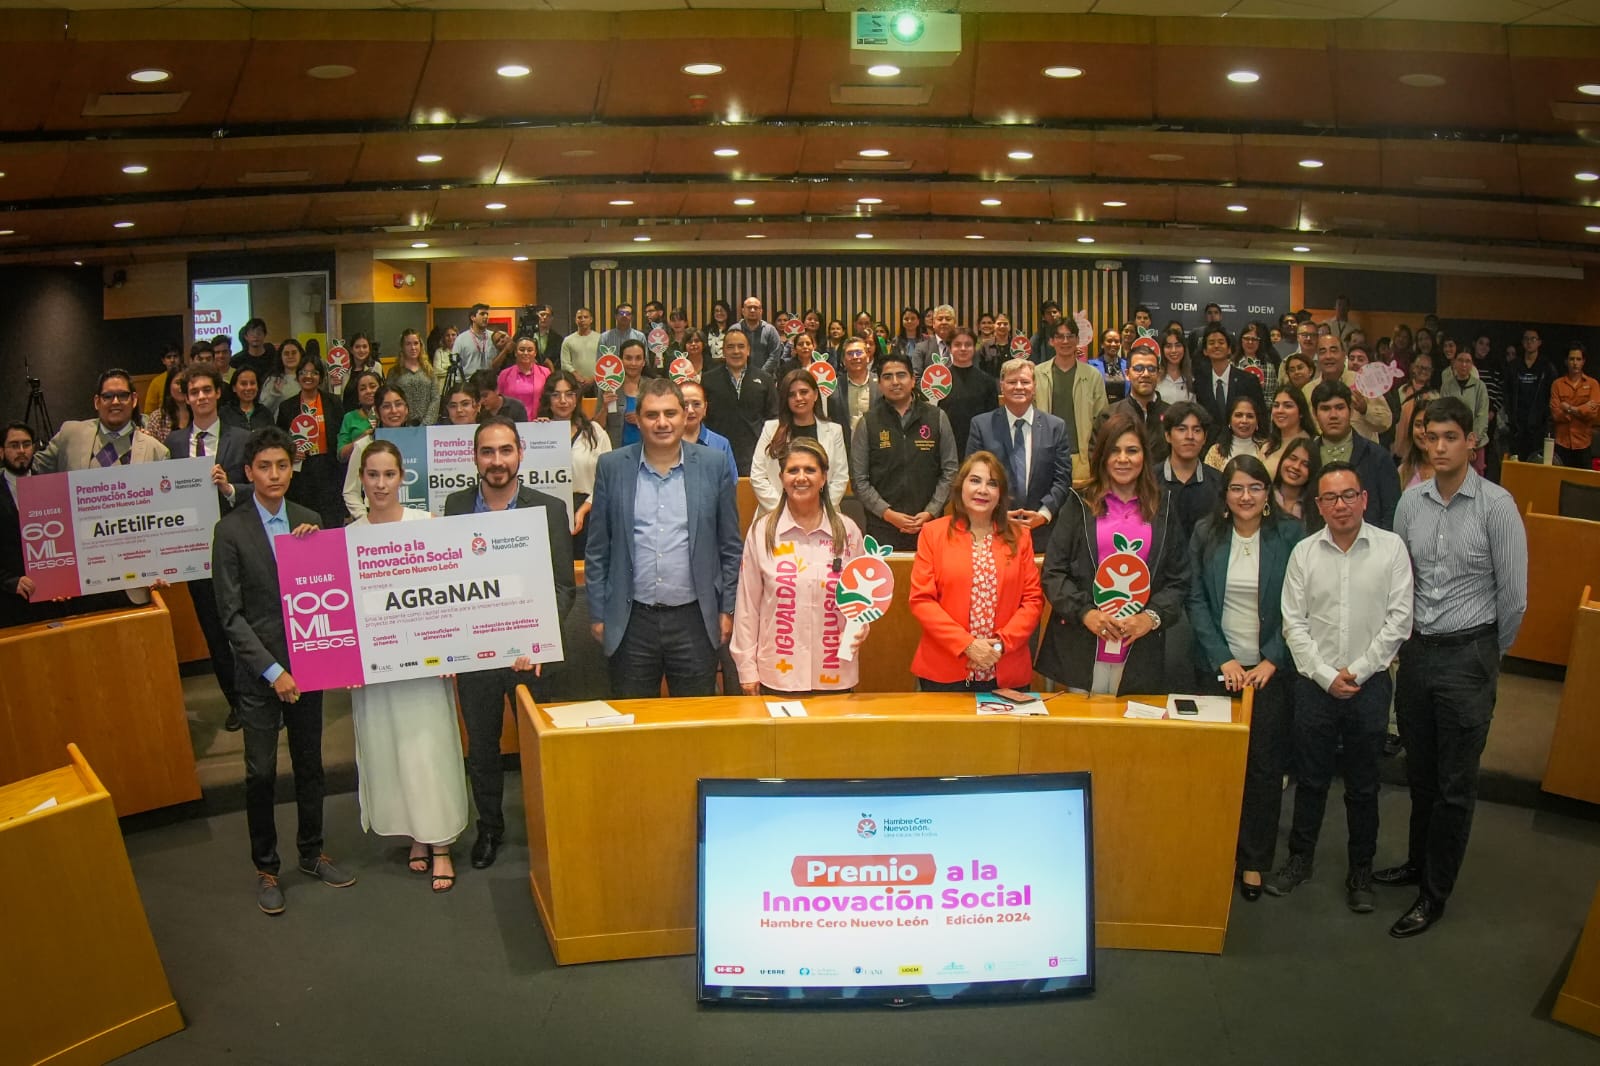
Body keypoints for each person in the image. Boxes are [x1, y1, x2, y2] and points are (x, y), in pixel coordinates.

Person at [1378, 397, 1528, 938]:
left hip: (1470, 655)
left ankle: (1434, 893)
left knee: (1455, 785)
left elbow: (1514, 598)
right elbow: (1401, 579)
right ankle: (1417, 863)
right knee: (1420, 775)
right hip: (1418, 653)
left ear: (1471, 442)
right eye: (1431, 437)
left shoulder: (1497, 506)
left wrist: (1488, 653)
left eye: (1450, 437)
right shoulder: (1410, 502)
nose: (1438, 447)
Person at [212, 426, 353, 915]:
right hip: (259, 674)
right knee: (260, 772)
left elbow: (329, 592)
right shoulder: (230, 531)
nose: (274, 475)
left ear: (292, 469)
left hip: (308, 665)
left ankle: (312, 852)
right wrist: (273, 671)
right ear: (248, 473)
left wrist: (317, 550)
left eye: (281, 465)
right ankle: (267, 866)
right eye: (264, 467)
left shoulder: (309, 520)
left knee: (310, 764)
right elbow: (230, 616)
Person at [1269, 461, 1413, 914]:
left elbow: (1399, 620)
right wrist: (1326, 675)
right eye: (1330, 498)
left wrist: (1360, 670)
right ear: (1319, 505)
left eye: (1349, 495)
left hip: (1370, 687)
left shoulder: (1391, 549)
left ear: (1364, 499)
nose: (1341, 505)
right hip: (1315, 685)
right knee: (1310, 780)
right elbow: (1293, 623)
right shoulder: (1304, 553)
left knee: (1364, 786)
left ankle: (1361, 872)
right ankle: (1299, 860)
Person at [443, 418, 576, 870]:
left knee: (537, 748)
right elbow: (450, 581)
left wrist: (539, 641)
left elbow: (563, 586)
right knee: (482, 749)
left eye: (505, 450)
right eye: (487, 452)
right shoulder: (456, 506)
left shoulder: (549, 508)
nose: (496, 461)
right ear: (474, 457)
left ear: (521, 453)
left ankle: (546, 827)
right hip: (476, 655)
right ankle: (490, 829)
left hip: (529, 657)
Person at [347, 440, 470, 894]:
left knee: (428, 751)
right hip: (376, 672)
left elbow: (448, 593)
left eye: (389, 475)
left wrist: (452, 651)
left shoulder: (427, 525)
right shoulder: (348, 535)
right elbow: (344, 608)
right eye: (372, 475)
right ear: (362, 478)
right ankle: (414, 833)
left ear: (403, 478)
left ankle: (441, 843)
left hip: (424, 668)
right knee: (389, 753)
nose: (380, 484)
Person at [1187, 455, 1305, 902]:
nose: (1246, 496)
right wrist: (1223, 660)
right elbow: (1196, 599)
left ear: (1267, 493)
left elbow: (1300, 604)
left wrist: (1272, 659)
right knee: (1215, 765)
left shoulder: (1290, 535)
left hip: (1269, 673)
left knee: (1263, 769)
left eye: (1255, 487)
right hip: (1216, 670)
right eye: (1236, 488)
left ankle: (1254, 859)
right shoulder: (1206, 533)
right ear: (1225, 495)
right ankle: (1214, 850)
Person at [586, 378, 743, 698]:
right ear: (638, 419)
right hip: (630, 621)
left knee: (694, 719)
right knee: (633, 718)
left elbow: (729, 546)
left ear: (685, 416)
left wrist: (727, 609)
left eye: (670, 413)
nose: (662, 423)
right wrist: (599, 614)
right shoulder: (612, 467)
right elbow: (598, 549)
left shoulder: (713, 465)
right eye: (651, 415)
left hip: (695, 620)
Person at [1036, 413, 1190, 696]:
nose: (1123, 459)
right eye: (1114, 451)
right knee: (1084, 724)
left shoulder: (1164, 507)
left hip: (1140, 650)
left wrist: (1151, 618)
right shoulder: (1078, 503)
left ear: (1144, 456)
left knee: (1130, 724)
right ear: (1102, 456)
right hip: (1082, 646)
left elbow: (1179, 579)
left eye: (1132, 450)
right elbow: (1054, 572)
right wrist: (1085, 613)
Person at [731, 438, 865, 695]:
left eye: (810, 470)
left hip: (835, 672)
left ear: (824, 477)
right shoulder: (762, 532)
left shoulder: (848, 532)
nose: (801, 477)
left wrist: (860, 628)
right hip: (778, 675)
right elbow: (747, 607)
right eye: (793, 470)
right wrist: (747, 670)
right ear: (781, 477)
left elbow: (861, 604)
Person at [909, 452, 1044, 692]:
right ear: (961, 486)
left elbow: (1032, 601)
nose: (983, 490)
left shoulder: (1020, 536)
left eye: (992, 483)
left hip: (1005, 667)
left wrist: (999, 646)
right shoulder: (933, 533)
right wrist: (968, 645)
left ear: (1000, 494)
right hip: (945, 670)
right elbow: (922, 601)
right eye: (975, 480)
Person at [167, 365, 251, 727]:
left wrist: (230, 488)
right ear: (186, 398)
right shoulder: (172, 443)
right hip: (195, 553)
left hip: (236, 547)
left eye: (206, 390)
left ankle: (261, 698)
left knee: (247, 626)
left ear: (218, 393)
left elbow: (259, 489)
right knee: (214, 633)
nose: (201, 396)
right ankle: (236, 703)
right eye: (194, 391)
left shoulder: (241, 438)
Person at [849, 352, 959, 553]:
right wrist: (887, 513)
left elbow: (950, 470)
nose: (895, 382)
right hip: (882, 526)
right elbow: (859, 479)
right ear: (880, 383)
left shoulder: (937, 417)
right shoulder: (868, 422)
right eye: (887, 377)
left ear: (913, 380)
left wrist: (931, 511)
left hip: (930, 524)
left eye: (901, 375)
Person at [966, 359, 1073, 552]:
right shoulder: (981, 426)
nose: (1018, 387)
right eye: (1011, 381)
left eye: (1025, 382)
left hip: (1043, 531)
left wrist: (1043, 514)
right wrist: (997, 514)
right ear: (1002, 386)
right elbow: (972, 479)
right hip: (993, 528)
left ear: (1034, 386)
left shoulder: (1055, 427)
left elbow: (1062, 479)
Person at [750, 369, 849, 514]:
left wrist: (817, 511)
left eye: (804, 392)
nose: (798, 398)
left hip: (824, 514)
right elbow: (758, 476)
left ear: (815, 395)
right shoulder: (771, 429)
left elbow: (840, 478)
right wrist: (784, 511)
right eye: (791, 394)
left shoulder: (834, 431)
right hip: (776, 514)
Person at [34, 368, 170, 473]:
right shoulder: (70, 435)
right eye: (108, 396)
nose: (115, 402)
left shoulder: (156, 452)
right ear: (97, 402)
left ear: (134, 400)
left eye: (123, 395)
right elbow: (33, 469)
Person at [1308, 380, 1400, 530]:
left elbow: (1392, 510)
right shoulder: (1306, 456)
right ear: (1314, 414)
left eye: (1339, 408)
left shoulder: (1377, 456)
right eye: (1325, 409)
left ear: (1350, 410)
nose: (1333, 415)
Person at [540, 370, 611, 558]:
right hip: (550, 514)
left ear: (576, 398)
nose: (563, 401)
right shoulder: (537, 433)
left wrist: (584, 509)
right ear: (548, 399)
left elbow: (607, 478)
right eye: (556, 395)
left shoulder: (595, 432)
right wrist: (536, 435)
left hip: (590, 511)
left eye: (569, 394)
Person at [274, 357, 345, 530]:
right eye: (303, 372)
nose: (308, 376)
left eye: (314, 373)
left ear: (321, 378)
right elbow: (280, 440)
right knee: (304, 521)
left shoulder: (333, 402)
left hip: (329, 470)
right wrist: (291, 452)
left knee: (330, 522)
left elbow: (341, 434)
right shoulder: (286, 407)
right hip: (301, 473)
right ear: (297, 376)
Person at [1034, 317, 1108, 481]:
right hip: (1045, 457)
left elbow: (1102, 419)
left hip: (1082, 457)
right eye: (1060, 337)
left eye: (1070, 336)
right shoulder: (1037, 374)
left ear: (1077, 340)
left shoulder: (1093, 375)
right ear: (1051, 341)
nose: (1065, 341)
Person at [700, 328, 776, 476]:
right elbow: (704, 418)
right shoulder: (708, 380)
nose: (736, 351)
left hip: (755, 454)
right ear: (723, 351)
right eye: (730, 347)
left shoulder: (765, 379)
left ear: (748, 350)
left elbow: (773, 417)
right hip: (717, 453)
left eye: (741, 346)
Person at [341, 385, 414, 520]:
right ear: (377, 412)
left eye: (398, 404)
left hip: (415, 519)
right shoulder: (364, 445)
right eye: (386, 406)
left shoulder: (422, 441)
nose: (394, 411)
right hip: (377, 520)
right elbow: (350, 491)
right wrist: (365, 518)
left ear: (406, 408)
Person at [1195, 325, 1267, 448]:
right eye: (1211, 343)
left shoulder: (1249, 380)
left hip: (1244, 446)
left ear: (1229, 349)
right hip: (1209, 447)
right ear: (1205, 351)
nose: (1216, 346)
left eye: (1221, 342)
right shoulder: (1199, 383)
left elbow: (1261, 417)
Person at [1156, 401, 1219, 540]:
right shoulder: (1150, 480)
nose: (1190, 436)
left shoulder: (1218, 482)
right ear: (1167, 436)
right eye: (1181, 429)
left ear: (1205, 438)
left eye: (1197, 430)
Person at [1102, 338, 1168, 460]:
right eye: (1138, 368)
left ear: (1158, 375)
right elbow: (1099, 457)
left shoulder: (1171, 415)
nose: (1146, 374)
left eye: (1151, 369)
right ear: (1127, 374)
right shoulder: (1110, 415)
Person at [938, 326, 999, 457]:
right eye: (957, 344)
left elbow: (992, 419)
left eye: (968, 344)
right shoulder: (939, 380)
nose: (963, 348)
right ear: (949, 348)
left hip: (978, 444)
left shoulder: (987, 381)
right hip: (946, 444)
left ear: (975, 347)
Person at [0, 423, 39, 628]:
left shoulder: (53, 487)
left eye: (26, 444)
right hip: (8, 602)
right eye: (14, 445)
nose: (22, 451)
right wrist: (10, 582)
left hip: (50, 601)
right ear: (1, 451)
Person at [1505, 327, 1555, 461]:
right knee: (1516, 464)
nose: (1529, 342)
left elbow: (1552, 395)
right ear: (1522, 342)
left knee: (1536, 464)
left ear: (1539, 342)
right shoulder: (1514, 366)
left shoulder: (1546, 367)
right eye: (1526, 339)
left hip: (1538, 427)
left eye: (1533, 339)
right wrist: (1510, 417)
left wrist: (1546, 420)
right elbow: (1507, 393)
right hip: (1517, 426)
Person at [1440, 341, 1490, 474]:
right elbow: (1444, 414)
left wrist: (1471, 444)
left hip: (1476, 445)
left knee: (1475, 479)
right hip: (1452, 442)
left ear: (1472, 364)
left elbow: (1482, 417)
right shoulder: (1447, 386)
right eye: (1460, 360)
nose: (1463, 365)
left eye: (1467, 361)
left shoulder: (1480, 386)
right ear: (1454, 362)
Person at [679, 379, 739, 486]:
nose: (691, 410)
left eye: (696, 404)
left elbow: (730, 486)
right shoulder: (666, 442)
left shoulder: (721, 444)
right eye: (684, 405)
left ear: (705, 408)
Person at [1550, 342, 1599, 468]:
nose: (1575, 363)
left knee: (1583, 479)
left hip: (1583, 443)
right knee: (1560, 478)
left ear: (1583, 361)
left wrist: (1569, 408)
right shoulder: (1557, 384)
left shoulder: (1593, 384)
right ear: (1566, 361)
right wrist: (1582, 410)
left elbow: (1592, 414)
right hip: (1562, 443)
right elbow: (1556, 414)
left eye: (1578, 359)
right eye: (1572, 359)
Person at [1260, 384, 1316, 479]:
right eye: (1276, 405)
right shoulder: (1267, 446)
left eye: (1288, 406)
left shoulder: (1312, 444)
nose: (1280, 410)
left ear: (1301, 412)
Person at [827, 336, 879, 433]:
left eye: (859, 352)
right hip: (844, 440)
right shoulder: (833, 386)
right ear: (843, 360)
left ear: (868, 357)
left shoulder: (881, 384)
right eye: (850, 353)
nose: (855, 357)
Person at [386, 328, 439, 425]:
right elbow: (389, 399)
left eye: (416, 343)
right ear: (402, 347)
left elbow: (435, 398)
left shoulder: (429, 371)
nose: (413, 347)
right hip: (402, 425)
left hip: (426, 425)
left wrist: (426, 423)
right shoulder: (394, 372)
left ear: (420, 345)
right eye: (408, 344)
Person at [1202, 394, 1267, 470]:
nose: (1244, 421)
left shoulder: (1267, 449)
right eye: (1238, 415)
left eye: (1250, 416)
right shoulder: (1216, 451)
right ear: (1229, 420)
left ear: (1257, 421)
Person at [497, 333, 551, 421]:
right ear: (515, 353)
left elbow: (550, 399)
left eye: (530, 350)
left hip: (538, 422)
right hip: (511, 422)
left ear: (535, 353)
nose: (526, 353)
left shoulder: (546, 372)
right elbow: (499, 400)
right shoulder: (504, 374)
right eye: (522, 350)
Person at [336, 369, 383, 462]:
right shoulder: (349, 417)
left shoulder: (389, 413)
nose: (368, 391)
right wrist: (361, 440)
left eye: (373, 386)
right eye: (362, 389)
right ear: (358, 395)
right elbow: (341, 455)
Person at [1271, 437, 1317, 525]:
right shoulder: (1264, 496)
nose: (1296, 467)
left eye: (1305, 464)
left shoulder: (1315, 508)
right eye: (1293, 458)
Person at [145, 360, 193, 443]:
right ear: (169, 386)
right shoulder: (158, 418)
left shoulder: (199, 413)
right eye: (178, 383)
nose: (181, 388)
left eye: (185, 383)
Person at [260, 338, 308, 416]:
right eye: (286, 353)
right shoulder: (273, 380)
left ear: (300, 355)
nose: (290, 356)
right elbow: (262, 411)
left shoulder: (309, 379)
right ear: (281, 357)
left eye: (294, 353)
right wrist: (274, 393)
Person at [221, 365, 272, 434]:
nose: (249, 388)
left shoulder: (265, 413)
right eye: (243, 384)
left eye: (252, 383)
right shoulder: (224, 413)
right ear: (234, 388)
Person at [1396, 403, 1435, 489]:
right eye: (1418, 425)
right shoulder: (1403, 471)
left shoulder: (1452, 471)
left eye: (1428, 425)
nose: (1423, 431)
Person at [560, 307, 600, 392]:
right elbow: (565, 364)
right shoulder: (568, 340)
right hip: (575, 384)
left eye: (586, 317)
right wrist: (578, 377)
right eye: (579, 317)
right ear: (575, 320)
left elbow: (604, 361)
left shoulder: (600, 339)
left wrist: (593, 379)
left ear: (591, 319)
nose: (582, 320)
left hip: (598, 383)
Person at [453, 303, 498, 378]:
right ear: (473, 317)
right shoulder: (461, 339)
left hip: (490, 381)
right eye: (482, 314)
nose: (486, 317)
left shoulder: (493, 337)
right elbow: (456, 366)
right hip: (470, 382)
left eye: (487, 314)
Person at [1155, 326, 1195, 406]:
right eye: (1168, 346)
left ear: (1184, 348)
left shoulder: (1192, 378)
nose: (1174, 350)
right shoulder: (1155, 376)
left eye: (1178, 345)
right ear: (1162, 350)